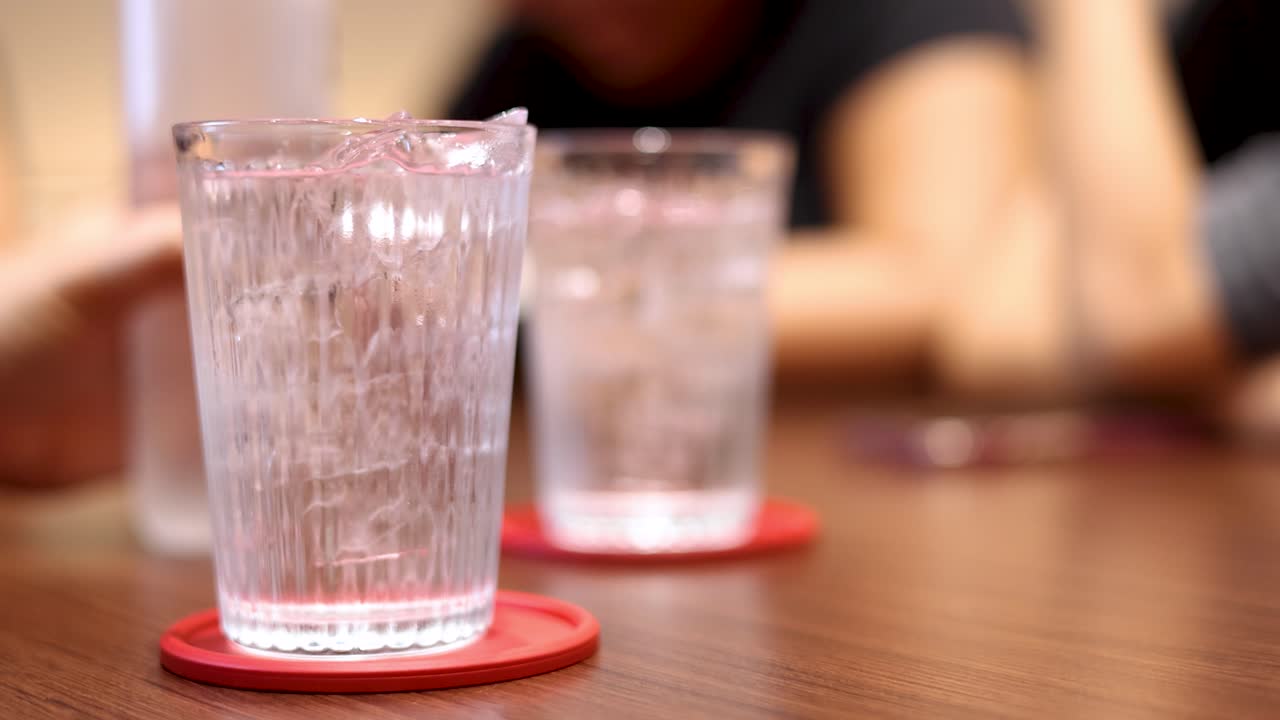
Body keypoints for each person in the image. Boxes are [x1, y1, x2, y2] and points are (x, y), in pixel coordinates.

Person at [450, 0, 1041, 381]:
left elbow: (939, 284)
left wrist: (547, 291)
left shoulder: (911, 16)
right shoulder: (533, 56)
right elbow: (441, 260)